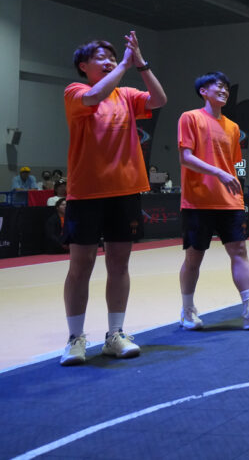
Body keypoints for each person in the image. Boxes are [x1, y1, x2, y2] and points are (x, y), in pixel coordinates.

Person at [60, 33, 168, 366]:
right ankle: (75, 339)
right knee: (81, 266)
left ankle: (115, 334)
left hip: (125, 191)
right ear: (83, 66)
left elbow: (159, 100)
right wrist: (123, 64)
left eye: (111, 55)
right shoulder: (75, 92)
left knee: (119, 265)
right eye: (100, 57)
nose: (108, 60)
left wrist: (141, 64)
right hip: (86, 192)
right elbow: (95, 96)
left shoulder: (128, 95)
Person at [177, 72, 249, 332]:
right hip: (198, 200)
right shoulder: (190, 118)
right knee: (194, 257)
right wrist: (219, 173)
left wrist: (228, 178)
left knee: (240, 251)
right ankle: (187, 311)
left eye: (226, 87)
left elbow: (231, 164)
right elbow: (185, 157)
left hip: (229, 200)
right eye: (218, 86)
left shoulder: (233, 127)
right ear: (203, 91)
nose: (224, 90)